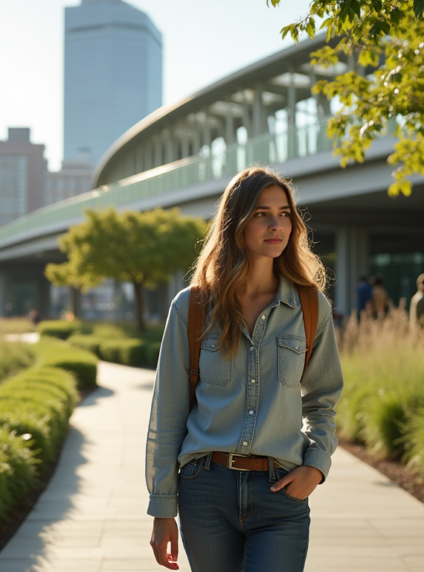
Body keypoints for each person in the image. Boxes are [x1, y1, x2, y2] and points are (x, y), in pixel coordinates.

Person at [146, 167, 344, 572]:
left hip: (281, 493)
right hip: (206, 492)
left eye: (285, 213)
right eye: (261, 214)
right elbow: (167, 415)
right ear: (236, 223)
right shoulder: (192, 307)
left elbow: (323, 400)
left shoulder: (309, 307)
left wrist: (316, 466)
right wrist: (162, 507)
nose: (277, 225)